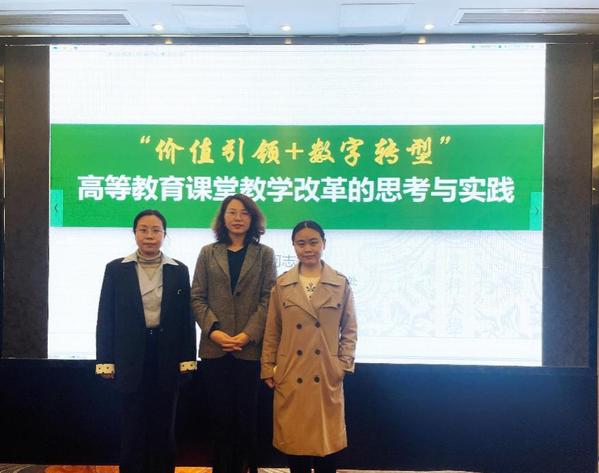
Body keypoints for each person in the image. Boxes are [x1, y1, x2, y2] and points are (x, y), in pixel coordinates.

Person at [95, 209, 197, 473]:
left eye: (156, 230)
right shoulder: (116, 269)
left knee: (164, 427)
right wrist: (105, 360)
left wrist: (188, 359)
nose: (149, 236)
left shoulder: (178, 270)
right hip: (129, 358)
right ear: (134, 233)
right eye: (143, 230)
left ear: (164, 234)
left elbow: (186, 319)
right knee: (132, 427)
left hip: (167, 357)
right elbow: (106, 316)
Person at [261, 220, 358, 473]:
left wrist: (342, 364)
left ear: (324, 243)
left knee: (327, 449)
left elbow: (350, 329)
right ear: (293, 246)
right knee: (296, 448)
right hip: (291, 372)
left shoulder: (339, 283)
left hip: (325, 373)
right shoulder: (282, 284)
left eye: (313, 242)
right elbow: (272, 330)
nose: (308, 249)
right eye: (301, 243)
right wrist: (268, 367)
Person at [191, 193, 277, 473]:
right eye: (232, 212)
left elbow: (269, 299)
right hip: (214, 348)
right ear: (223, 217)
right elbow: (197, 297)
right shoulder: (208, 252)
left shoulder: (265, 254)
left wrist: (247, 334)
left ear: (253, 218)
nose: (238, 218)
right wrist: (214, 331)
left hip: (249, 350)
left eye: (244, 213)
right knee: (219, 418)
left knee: (247, 419)